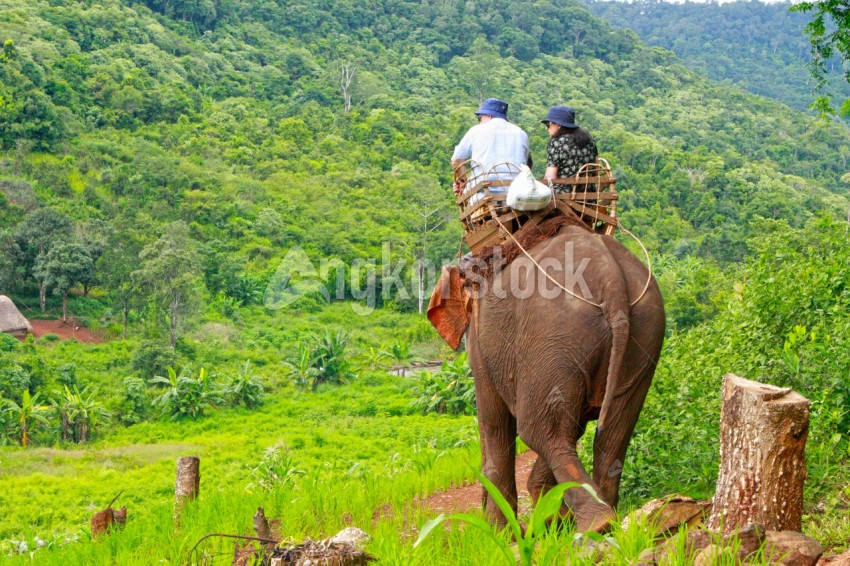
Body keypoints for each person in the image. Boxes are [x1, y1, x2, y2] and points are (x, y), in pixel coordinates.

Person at [451, 98, 532, 198]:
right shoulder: (521, 133)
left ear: (489, 116)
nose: (480, 122)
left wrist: (464, 183)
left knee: (462, 195)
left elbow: (456, 160)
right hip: (516, 196)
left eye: (479, 118)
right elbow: (526, 164)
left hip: (483, 195)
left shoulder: (476, 130)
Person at [541, 105, 598, 194]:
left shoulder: (557, 143)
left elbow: (550, 178)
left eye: (548, 124)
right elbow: (596, 170)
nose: (546, 128)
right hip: (588, 198)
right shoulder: (589, 140)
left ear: (558, 125)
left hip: (563, 198)